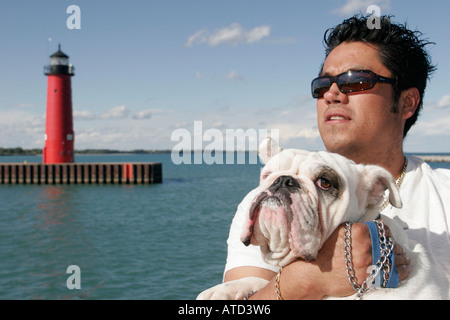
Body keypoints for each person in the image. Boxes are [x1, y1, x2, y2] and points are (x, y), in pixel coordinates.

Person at [223, 15, 450, 299]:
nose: (332, 94)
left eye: (355, 81)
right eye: (322, 85)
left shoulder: (444, 195)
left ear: (406, 102)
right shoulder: (266, 199)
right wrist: (309, 279)